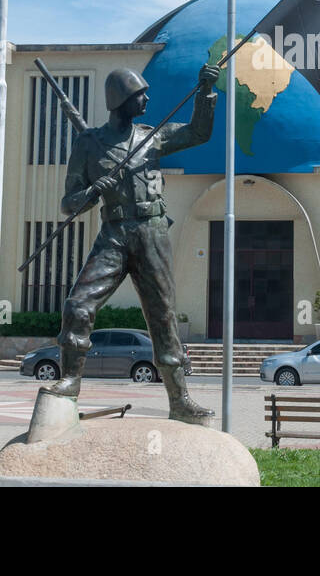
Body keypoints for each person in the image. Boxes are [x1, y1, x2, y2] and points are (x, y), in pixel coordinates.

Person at [44, 64, 220, 424]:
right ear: (121, 100)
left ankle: (180, 400)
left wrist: (205, 92)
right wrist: (93, 191)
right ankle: (69, 382)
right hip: (113, 233)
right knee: (78, 305)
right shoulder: (88, 144)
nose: (147, 99)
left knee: (163, 317)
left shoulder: (151, 136)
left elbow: (199, 132)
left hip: (152, 231)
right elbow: (68, 203)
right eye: (140, 94)